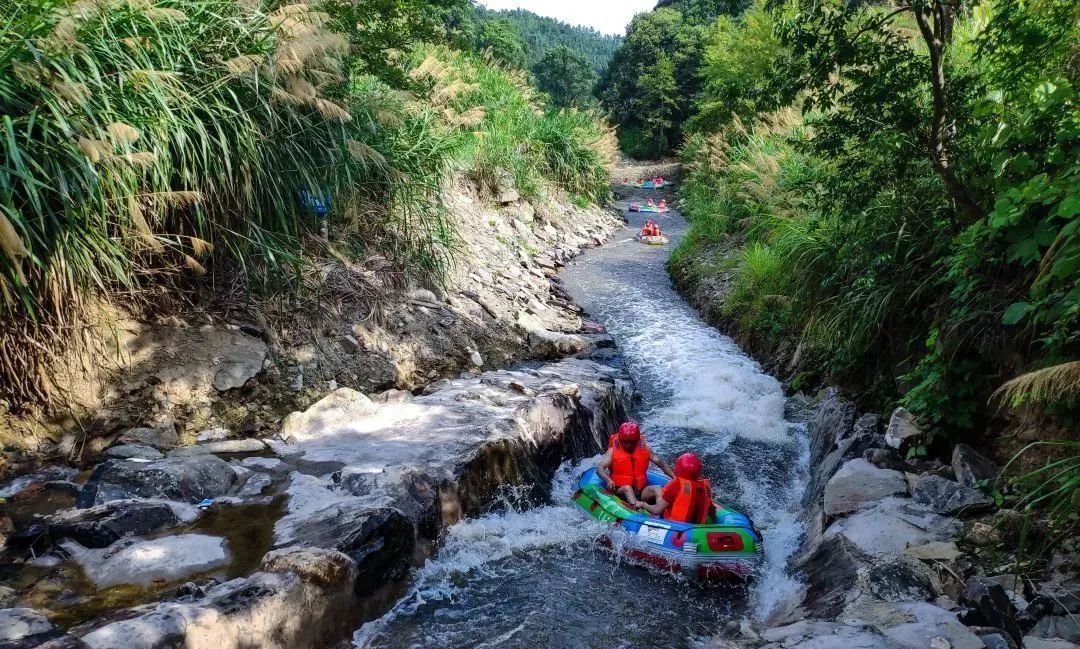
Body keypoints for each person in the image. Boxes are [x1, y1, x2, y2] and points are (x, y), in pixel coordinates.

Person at [596, 422, 674, 507]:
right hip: (619, 490)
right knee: (627, 489)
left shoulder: (646, 450)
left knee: (658, 489)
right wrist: (608, 480)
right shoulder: (612, 451)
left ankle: (661, 511)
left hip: (640, 490)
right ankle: (639, 513)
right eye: (625, 442)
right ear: (620, 439)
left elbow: (661, 463)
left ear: (637, 440)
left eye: (631, 442)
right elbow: (600, 468)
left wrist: (674, 477)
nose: (628, 445)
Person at [642, 452, 716, 524]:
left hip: (674, 526)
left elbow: (657, 510)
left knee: (656, 489)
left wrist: (642, 504)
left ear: (678, 469)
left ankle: (639, 500)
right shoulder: (705, 488)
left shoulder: (677, 485)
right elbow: (711, 511)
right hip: (698, 527)